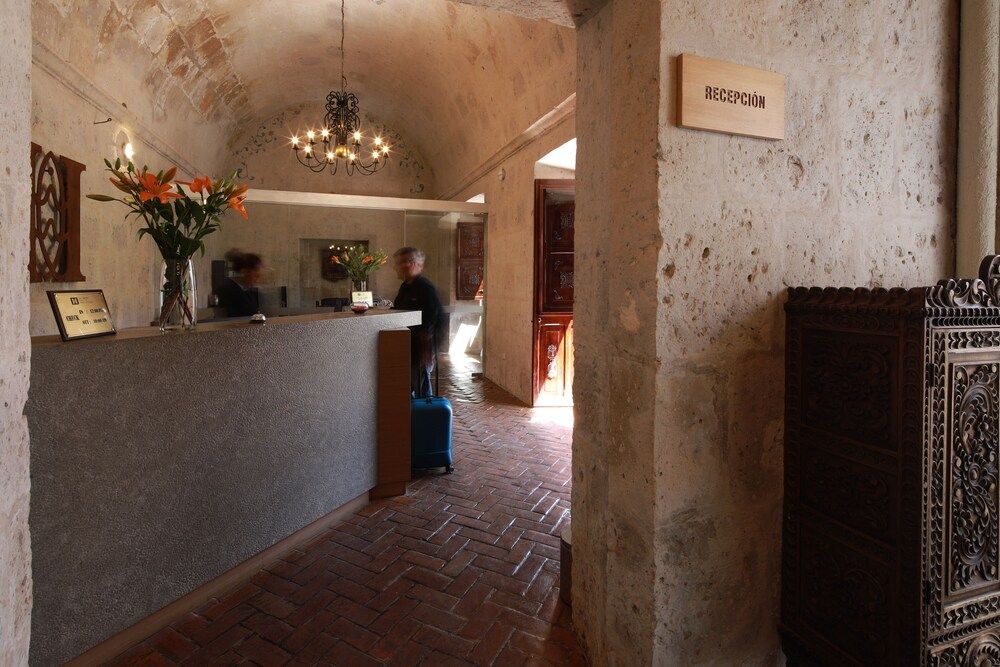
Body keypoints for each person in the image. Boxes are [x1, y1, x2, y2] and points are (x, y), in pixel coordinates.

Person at [392, 247, 444, 398]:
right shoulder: (405, 287)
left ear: (412, 264)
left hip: (420, 348)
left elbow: (433, 318)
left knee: (422, 386)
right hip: (408, 345)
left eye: (400, 263)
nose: (396, 267)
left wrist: (427, 349)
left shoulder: (425, 288)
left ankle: (426, 411)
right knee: (411, 384)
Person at [217, 249, 263, 318]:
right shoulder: (227, 290)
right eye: (256, 272)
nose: (258, 277)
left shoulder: (246, 290)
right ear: (244, 272)